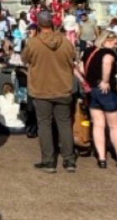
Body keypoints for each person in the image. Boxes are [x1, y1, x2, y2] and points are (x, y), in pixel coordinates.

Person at [22, 10, 78, 174]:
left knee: (44, 125)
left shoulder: (33, 43)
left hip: (42, 88)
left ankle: (48, 161)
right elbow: (72, 58)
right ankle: (69, 160)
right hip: (62, 87)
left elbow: (25, 59)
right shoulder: (66, 42)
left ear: (39, 24)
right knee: (65, 124)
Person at [82, 31, 117, 169]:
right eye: (115, 41)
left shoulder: (89, 51)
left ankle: (101, 158)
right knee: (114, 126)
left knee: (98, 125)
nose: (116, 44)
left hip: (92, 90)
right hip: (107, 90)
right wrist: (105, 80)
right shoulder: (109, 53)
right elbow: (107, 61)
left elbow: (79, 66)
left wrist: (85, 81)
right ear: (107, 40)